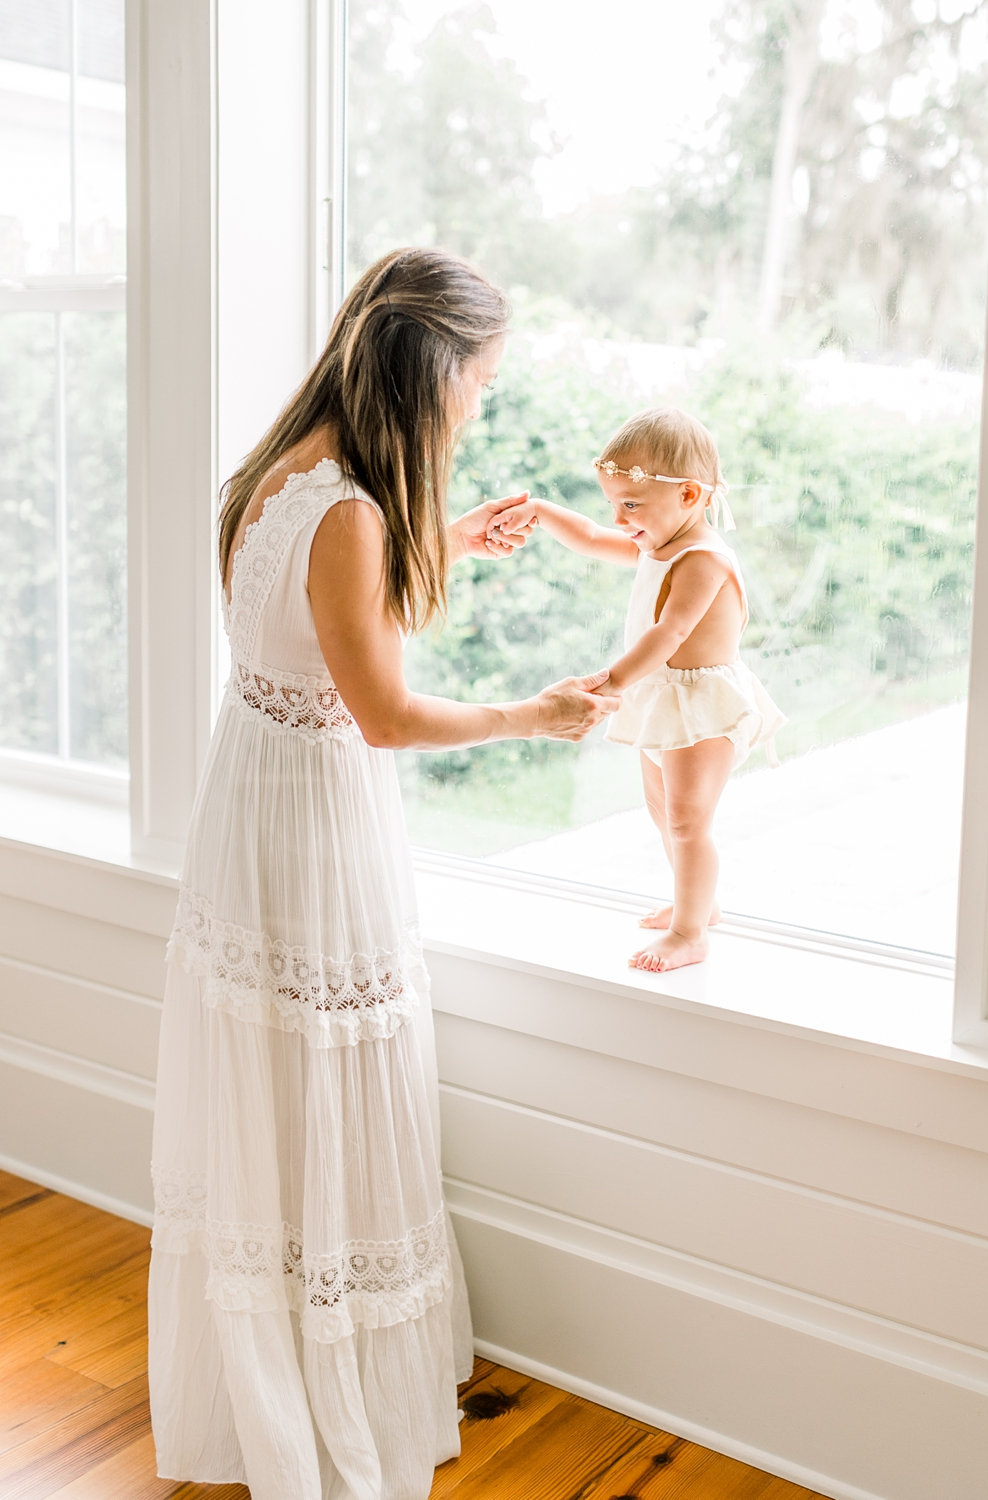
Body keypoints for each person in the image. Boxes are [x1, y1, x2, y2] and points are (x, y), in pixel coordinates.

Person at [146, 247, 618, 1500]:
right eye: (482, 382)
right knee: (328, 1073)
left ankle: (281, 1344)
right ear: (431, 373)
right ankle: (327, 1377)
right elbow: (386, 716)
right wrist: (534, 713)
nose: (482, 405)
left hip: (244, 799)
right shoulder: (352, 512)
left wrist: (445, 536)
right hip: (310, 824)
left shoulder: (277, 471)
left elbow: (304, 622)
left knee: (274, 1084)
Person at [488, 407, 784, 973]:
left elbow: (670, 632)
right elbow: (595, 538)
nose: (620, 520)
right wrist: (543, 512)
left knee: (687, 819)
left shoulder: (702, 559)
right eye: (613, 502)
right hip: (666, 699)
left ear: (690, 496)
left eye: (631, 504)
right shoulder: (658, 540)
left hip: (703, 705)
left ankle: (690, 932)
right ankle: (698, 901)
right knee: (661, 809)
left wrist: (613, 681)